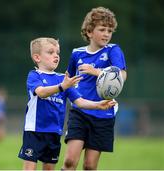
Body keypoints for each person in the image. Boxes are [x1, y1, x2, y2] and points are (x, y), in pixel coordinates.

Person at [18, 37, 116, 170]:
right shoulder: (35, 75)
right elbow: (41, 92)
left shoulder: (63, 79)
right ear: (37, 57)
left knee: (49, 169)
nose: (56, 56)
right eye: (50, 52)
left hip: (54, 133)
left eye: (57, 53)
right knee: (29, 168)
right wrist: (61, 87)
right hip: (35, 131)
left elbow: (80, 102)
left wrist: (98, 105)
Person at [62, 7, 127, 170]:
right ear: (90, 32)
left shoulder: (113, 50)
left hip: (103, 114)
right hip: (80, 111)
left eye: (110, 30)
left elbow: (121, 75)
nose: (107, 34)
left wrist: (97, 72)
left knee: (89, 165)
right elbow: (67, 80)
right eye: (102, 29)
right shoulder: (77, 54)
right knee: (70, 161)